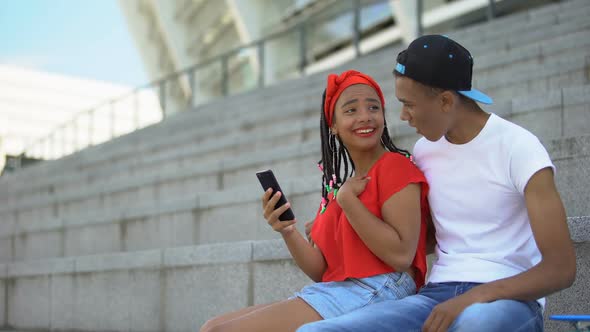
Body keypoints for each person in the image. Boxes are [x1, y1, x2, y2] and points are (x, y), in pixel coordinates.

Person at [297, 35, 576, 332]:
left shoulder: (519, 147)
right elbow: (421, 238)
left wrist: (477, 296)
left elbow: (561, 269)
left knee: (475, 324)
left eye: (409, 104)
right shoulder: (425, 151)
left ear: (445, 101)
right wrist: (333, 222)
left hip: (505, 300)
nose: (402, 116)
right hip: (434, 297)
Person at [200, 70, 430, 332]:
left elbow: (401, 255)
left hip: (382, 287)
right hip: (336, 289)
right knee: (212, 326)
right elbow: (322, 271)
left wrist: (348, 201)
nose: (365, 116)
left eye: (373, 107)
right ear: (333, 125)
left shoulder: (393, 167)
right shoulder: (338, 193)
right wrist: (287, 231)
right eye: (351, 110)